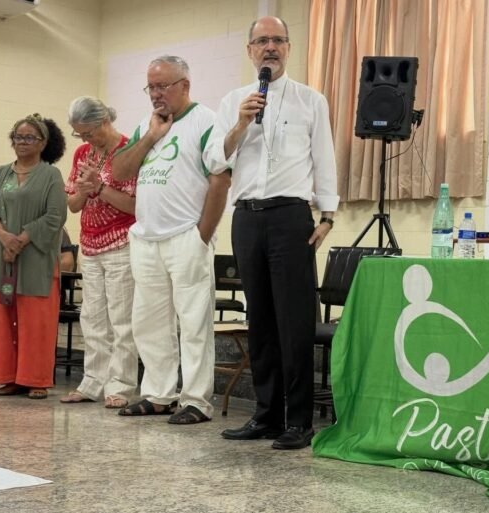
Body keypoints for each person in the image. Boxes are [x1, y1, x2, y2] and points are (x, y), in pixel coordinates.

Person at [204, 16, 339, 449]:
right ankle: (265, 416)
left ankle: (298, 422)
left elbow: (324, 157)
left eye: (277, 40)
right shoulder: (232, 101)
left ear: (288, 47)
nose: (270, 48)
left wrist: (328, 216)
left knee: (294, 320)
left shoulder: (310, 100)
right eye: (261, 41)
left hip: (291, 216)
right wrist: (241, 125)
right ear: (249, 51)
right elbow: (214, 160)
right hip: (247, 217)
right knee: (259, 319)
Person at [111, 55, 231, 424]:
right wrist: (150, 136)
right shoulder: (146, 126)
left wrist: (202, 235)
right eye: (151, 86)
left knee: (193, 322)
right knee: (149, 321)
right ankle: (159, 393)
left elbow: (220, 179)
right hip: (146, 239)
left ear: (185, 86)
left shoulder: (207, 121)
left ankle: (195, 400)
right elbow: (118, 171)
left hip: (186, 237)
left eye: (163, 85)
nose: (156, 94)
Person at [0, 114, 67, 400]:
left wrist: (22, 239)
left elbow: (55, 216)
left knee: (35, 320)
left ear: (42, 143)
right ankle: (9, 377)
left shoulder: (50, 175)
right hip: (1, 262)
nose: (22, 142)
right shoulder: (0, 174)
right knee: (4, 316)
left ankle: (35, 378)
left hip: (34, 262)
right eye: (18, 136)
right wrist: (4, 237)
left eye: (29, 137)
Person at [59, 96, 138, 408]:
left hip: (121, 242)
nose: (86, 139)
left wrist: (100, 188)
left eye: (89, 132)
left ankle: (120, 385)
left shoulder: (129, 150)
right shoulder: (82, 153)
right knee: (91, 318)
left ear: (105, 121)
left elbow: (134, 205)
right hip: (89, 244)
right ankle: (92, 382)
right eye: (80, 134)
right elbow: (74, 206)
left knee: (121, 318)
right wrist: (82, 188)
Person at [0, 229, 75, 379]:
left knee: (5, 303)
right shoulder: (10, 225)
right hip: (10, 280)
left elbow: (68, 262)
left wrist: (36, 267)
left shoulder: (53, 226)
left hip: (39, 286)